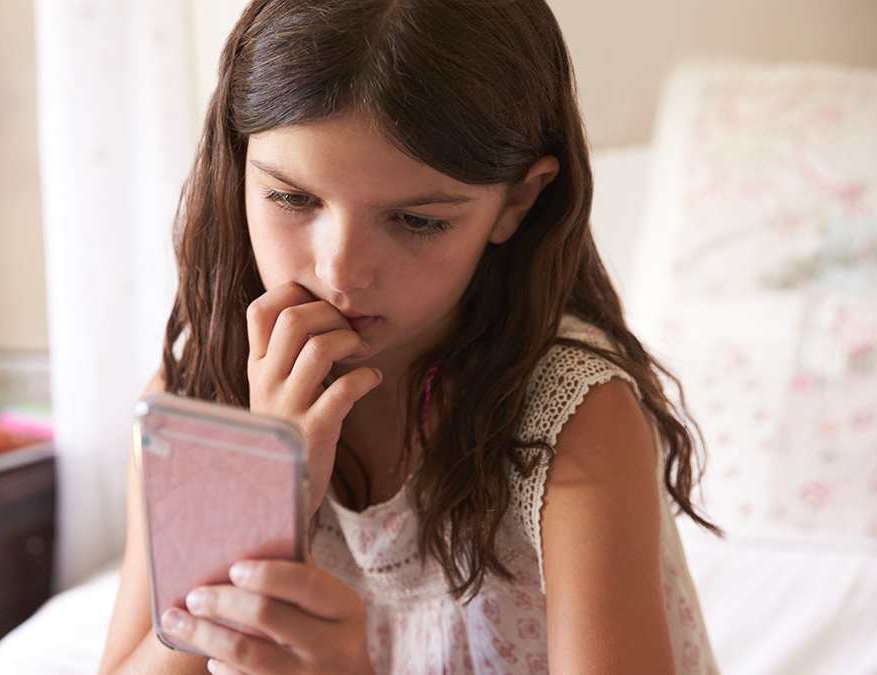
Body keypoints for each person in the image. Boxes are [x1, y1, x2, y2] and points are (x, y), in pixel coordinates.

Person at [99, 0, 720, 673]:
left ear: (517, 201)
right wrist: (258, 503)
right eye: (293, 198)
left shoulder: (571, 419)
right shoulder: (199, 395)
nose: (341, 270)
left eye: (416, 221)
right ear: (239, 159)